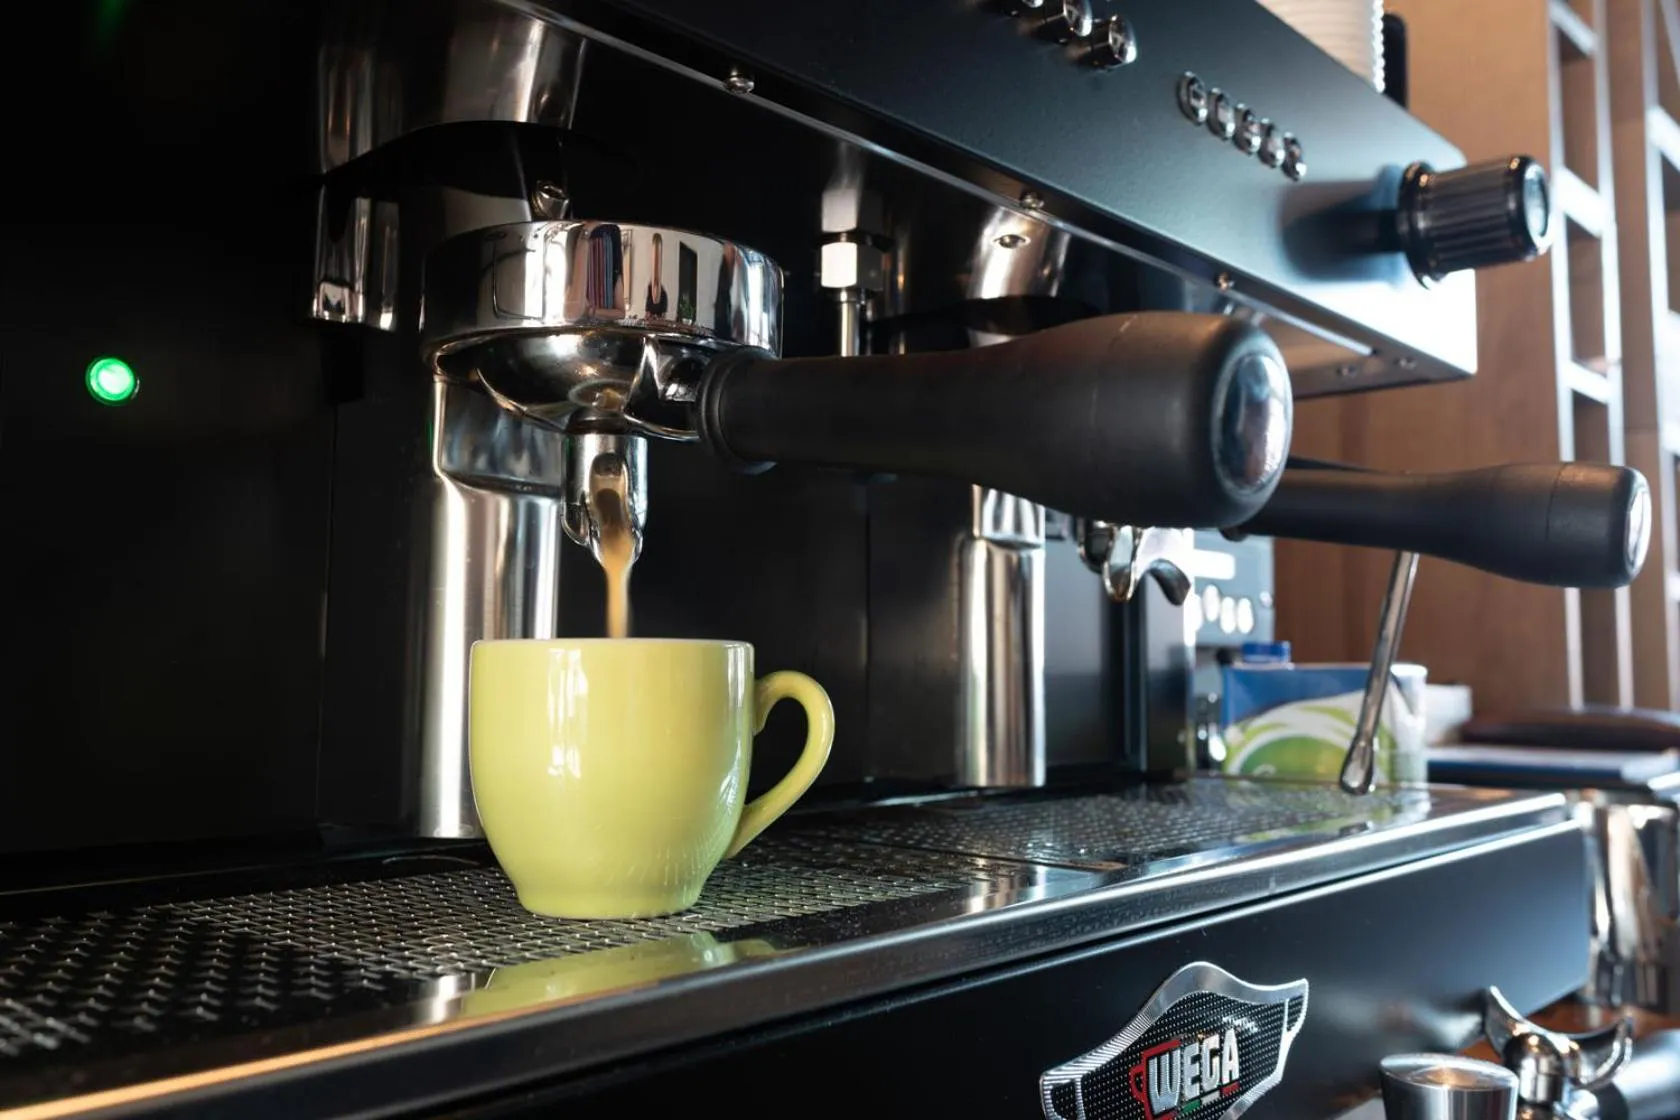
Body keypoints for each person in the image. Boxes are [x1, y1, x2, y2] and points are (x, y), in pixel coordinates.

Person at [644, 232, 670, 318]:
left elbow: (664, 317)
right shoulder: (649, 293)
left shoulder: (664, 295)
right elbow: (646, 315)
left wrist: (657, 318)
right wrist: (650, 317)